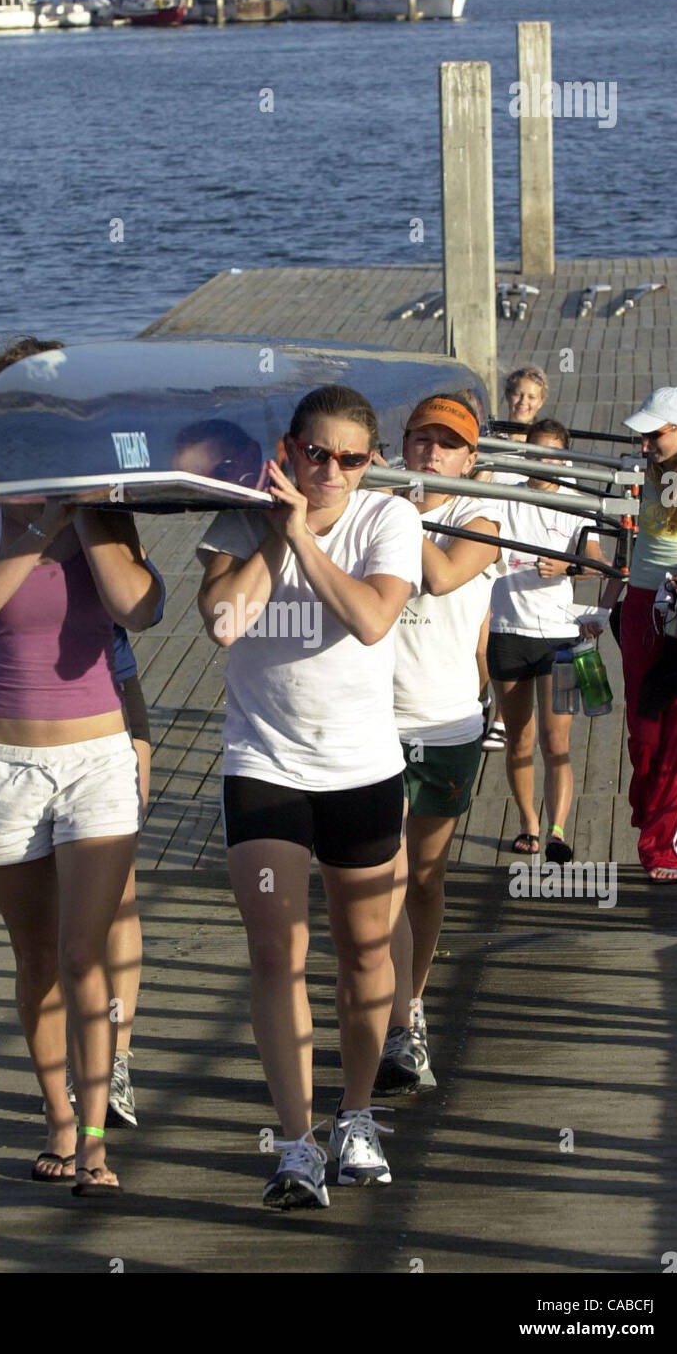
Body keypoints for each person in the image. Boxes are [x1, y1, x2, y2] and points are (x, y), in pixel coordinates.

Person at [197, 384, 422, 1210]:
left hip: (362, 769)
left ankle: (354, 1114)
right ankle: (295, 1144)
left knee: (365, 954)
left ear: (372, 463)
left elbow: (370, 619)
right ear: (288, 450)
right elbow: (223, 621)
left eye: (350, 459)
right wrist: (273, 533)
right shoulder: (237, 517)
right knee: (274, 953)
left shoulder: (387, 518)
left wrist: (304, 536)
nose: (331, 471)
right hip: (264, 765)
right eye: (315, 453)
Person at [0, 343, 163, 1195]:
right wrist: (42, 528)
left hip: (96, 758)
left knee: (85, 958)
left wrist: (93, 519)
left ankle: (99, 1144)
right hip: (5, 760)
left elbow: (140, 611)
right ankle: (60, 1123)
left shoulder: (106, 505)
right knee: (35, 957)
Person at [375, 395, 503, 1095]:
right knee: (383, 877)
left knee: (423, 879)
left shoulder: (478, 515)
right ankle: (393, 1025)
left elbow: (442, 574)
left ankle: (412, 1000)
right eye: (419, 440)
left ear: (469, 458)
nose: (430, 452)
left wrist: (396, 508)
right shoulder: (378, 502)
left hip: (446, 722)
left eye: (446, 444)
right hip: (370, 723)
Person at [487, 420, 607, 861]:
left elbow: (598, 565)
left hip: (559, 636)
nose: (544, 463)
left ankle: (557, 831)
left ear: (566, 460)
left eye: (553, 455)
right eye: (536, 453)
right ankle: (528, 825)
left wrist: (568, 569)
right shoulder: (506, 493)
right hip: (508, 631)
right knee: (518, 738)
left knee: (556, 743)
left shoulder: (579, 503)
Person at [597, 387, 677, 882]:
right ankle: (649, 808)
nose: (645, 445)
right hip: (642, 605)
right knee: (644, 735)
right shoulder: (652, 471)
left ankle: (664, 847)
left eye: (653, 435)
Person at [479, 367, 550, 750]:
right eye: (517, 395)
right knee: (479, 643)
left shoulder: (544, 444)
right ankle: (484, 700)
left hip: (525, 548)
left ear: (541, 403)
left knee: (501, 635)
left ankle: (503, 718)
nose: (523, 402)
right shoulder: (488, 439)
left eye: (531, 397)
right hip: (490, 543)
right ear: (508, 397)